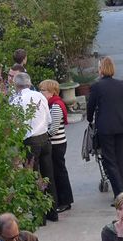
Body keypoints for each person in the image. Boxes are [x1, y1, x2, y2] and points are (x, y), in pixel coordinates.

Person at [10, 72, 57, 221]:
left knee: (33, 177)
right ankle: (53, 212)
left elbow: (14, 125)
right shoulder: (40, 96)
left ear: (16, 85)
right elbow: (49, 119)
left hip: (29, 141)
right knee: (49, 176)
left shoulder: (15, 100)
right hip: (44, 138)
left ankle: (40, 216)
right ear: (29, 84)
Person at [88, 57, 123, 199]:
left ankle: (120, 194)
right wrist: (122, 115)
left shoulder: (96, 86)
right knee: (121, 159)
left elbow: (90, 107)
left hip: (105, 128)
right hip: (122, 127)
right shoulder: (120, 84)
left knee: (109, 160)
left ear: (101, 69)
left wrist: (91, 120)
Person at [39, 79, 74, 212]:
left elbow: (53, 129)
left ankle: (65, 201)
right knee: (58, 171)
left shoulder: (56, 105)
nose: (41, 93)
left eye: (43, 90)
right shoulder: (51, 104)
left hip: (57, 143)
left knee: (59, 172)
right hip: (57, 142)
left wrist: (43, 137)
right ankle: (62, 199)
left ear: (51, 92)